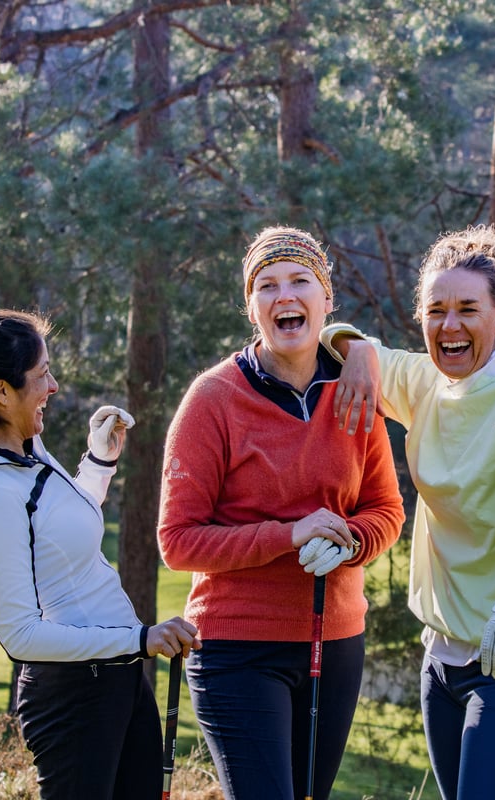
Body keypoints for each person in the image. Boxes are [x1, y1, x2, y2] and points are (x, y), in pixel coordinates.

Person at [0, 309, 200, 800]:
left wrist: (98, 461)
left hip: (117, 676)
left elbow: (60, 535)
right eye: (41, 374)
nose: (52, 386)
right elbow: (21, 636)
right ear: (1, 392)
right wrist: (141, 638)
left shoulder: (23, 448)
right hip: (75, 699)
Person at [325, 226, 495, 800]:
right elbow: (333, 339)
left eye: (469, 309)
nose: (450, 326)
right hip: (442, 656)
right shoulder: (426, 381)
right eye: (436, 310)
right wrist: (362, 350)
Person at [156, 226, 405, 800]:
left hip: (336, 640)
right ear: (251, 306)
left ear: (326, 300)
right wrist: (290, 535)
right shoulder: (213, 399)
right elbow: (178, 540)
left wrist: (350, 540)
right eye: (266, 285)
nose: (284, 295)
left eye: (300, 281)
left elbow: (386, 510)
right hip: (237, 646)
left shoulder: (355, 389)